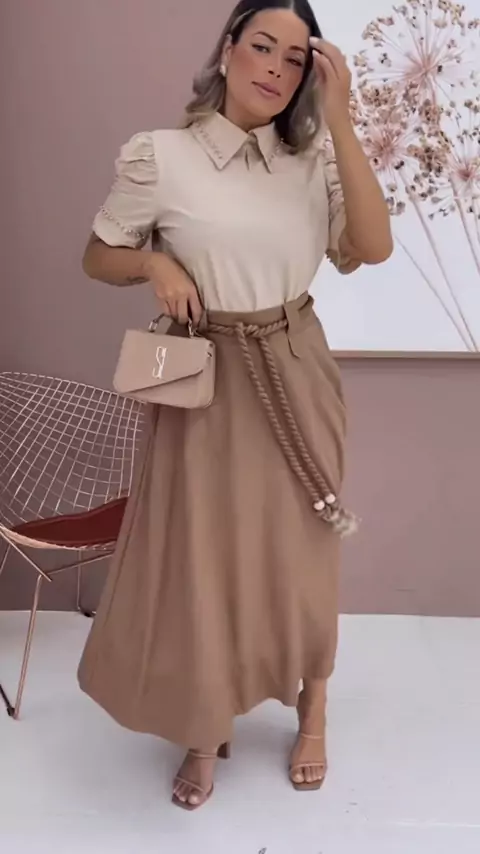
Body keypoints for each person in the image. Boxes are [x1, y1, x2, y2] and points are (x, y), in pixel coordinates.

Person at [78, 0, 392, 811]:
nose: (276, 69)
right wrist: (154, 267)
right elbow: (98, 255)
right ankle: (204, 723)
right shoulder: (162, 156)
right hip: (206, 375)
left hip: (295, 365)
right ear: (227, 50)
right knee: (207, 559)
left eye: (296, 59)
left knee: (303, 552)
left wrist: (342, 120)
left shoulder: (315, 160)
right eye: (263, 46)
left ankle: (314, 704)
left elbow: (373, 248)